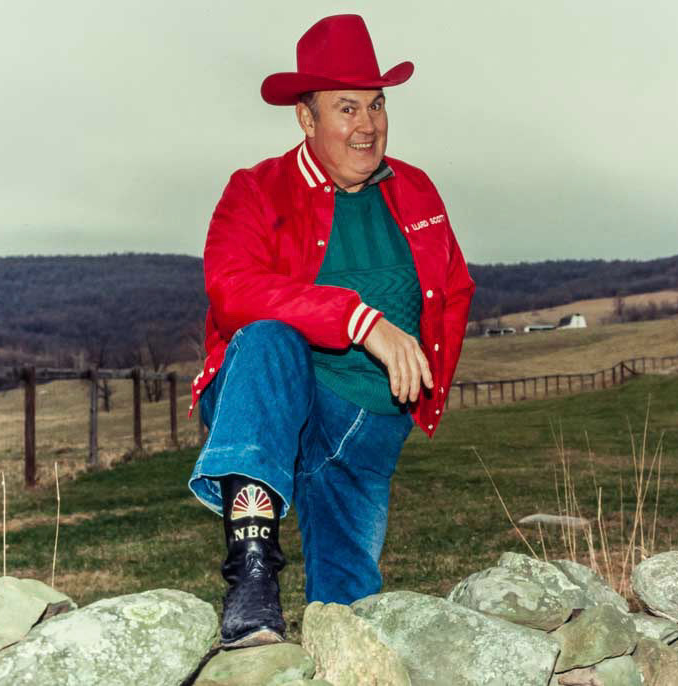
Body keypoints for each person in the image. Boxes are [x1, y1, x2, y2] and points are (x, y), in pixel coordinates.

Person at [187, 14, 475, 650]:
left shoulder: (416, 190)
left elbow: (453, 287)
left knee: (349, 616)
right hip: (272, 398)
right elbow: (233, 291)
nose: (367, 124)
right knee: (270, 339)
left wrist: (415, 392)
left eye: (377, 104)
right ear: (306, 117)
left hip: (368, 424)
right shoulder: (256, 190)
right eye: (347, 108)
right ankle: (252, 577)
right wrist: (359, 321)